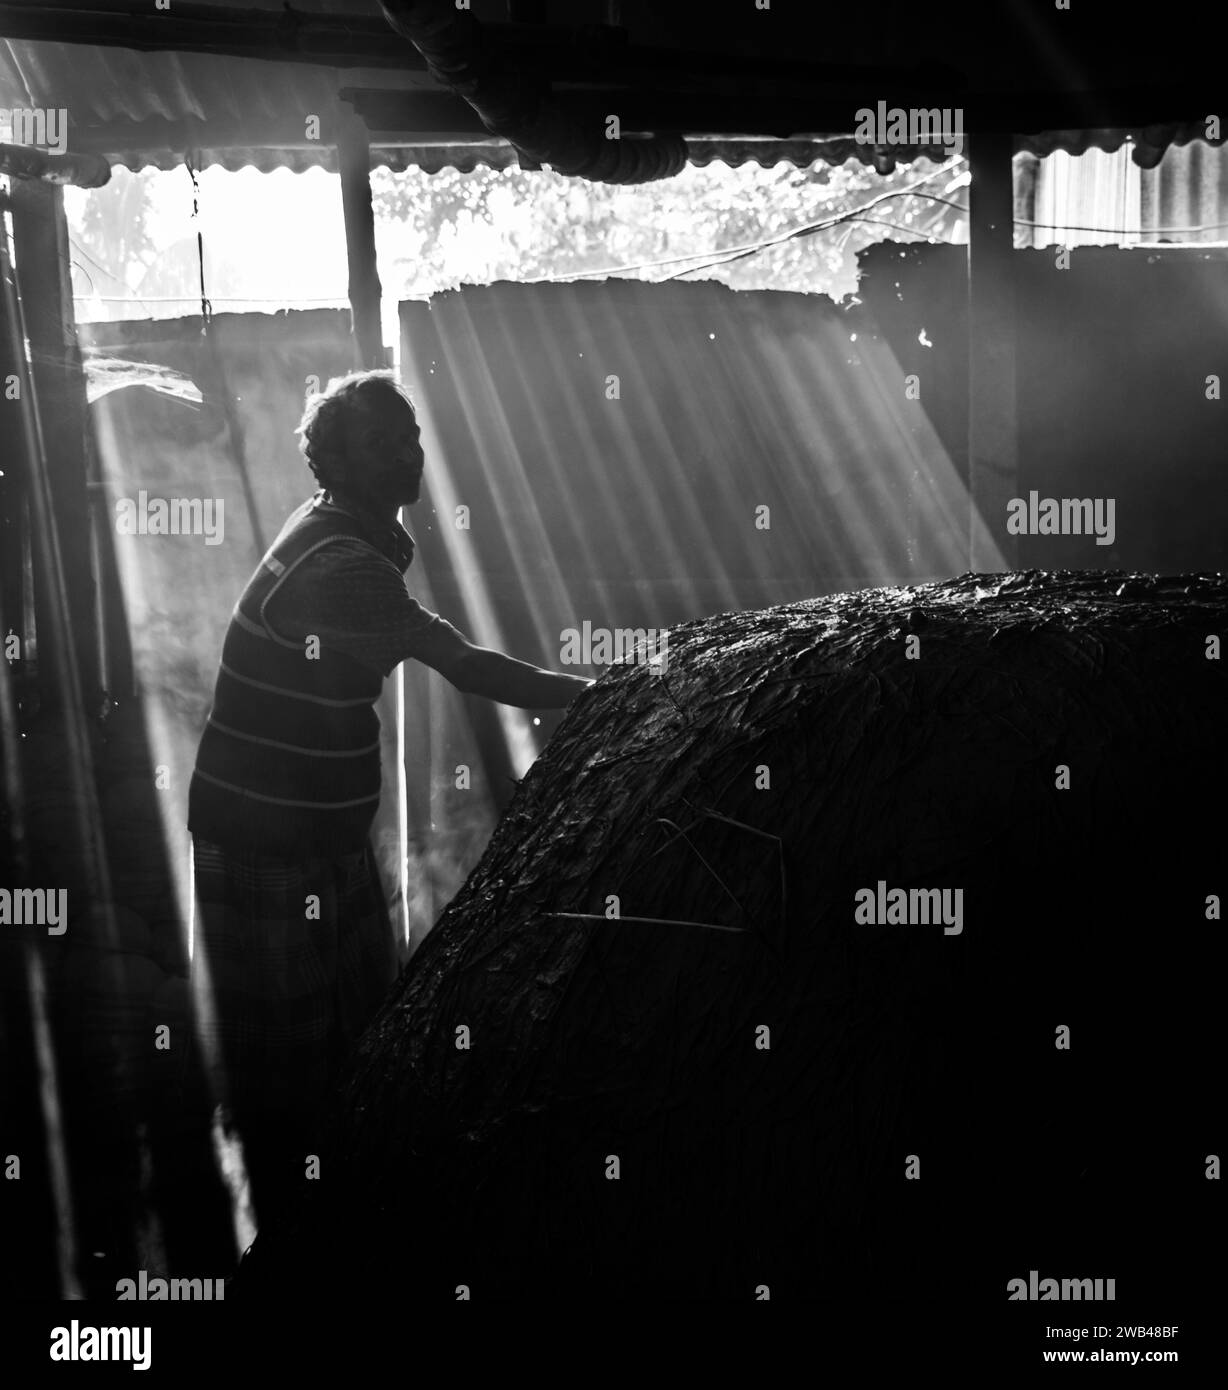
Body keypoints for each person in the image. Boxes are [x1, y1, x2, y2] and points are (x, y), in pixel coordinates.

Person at [186, 369, 590, 1231]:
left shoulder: (339, 531)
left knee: (355, 1026)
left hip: (315, 835)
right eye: (382, 441)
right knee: (289, 1067)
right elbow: (466, 664)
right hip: (264, 839)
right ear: (336, 459)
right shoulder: (341, 565)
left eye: (409, 434)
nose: (406, 452)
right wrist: (593, 694)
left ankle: (339, 1215)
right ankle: (290, 1238)